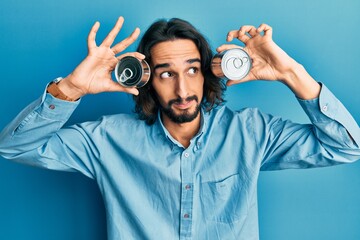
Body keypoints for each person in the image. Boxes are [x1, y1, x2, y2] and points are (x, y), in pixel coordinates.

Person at [0, 16, 359, 240]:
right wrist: (72, 89)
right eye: (166, 74)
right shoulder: (108, 139)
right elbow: (15, 147)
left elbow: (346, 146)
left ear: (209, 72)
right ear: (145, 79)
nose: (183, 90)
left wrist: (290, 73)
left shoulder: (251, 132)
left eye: (192, 70)